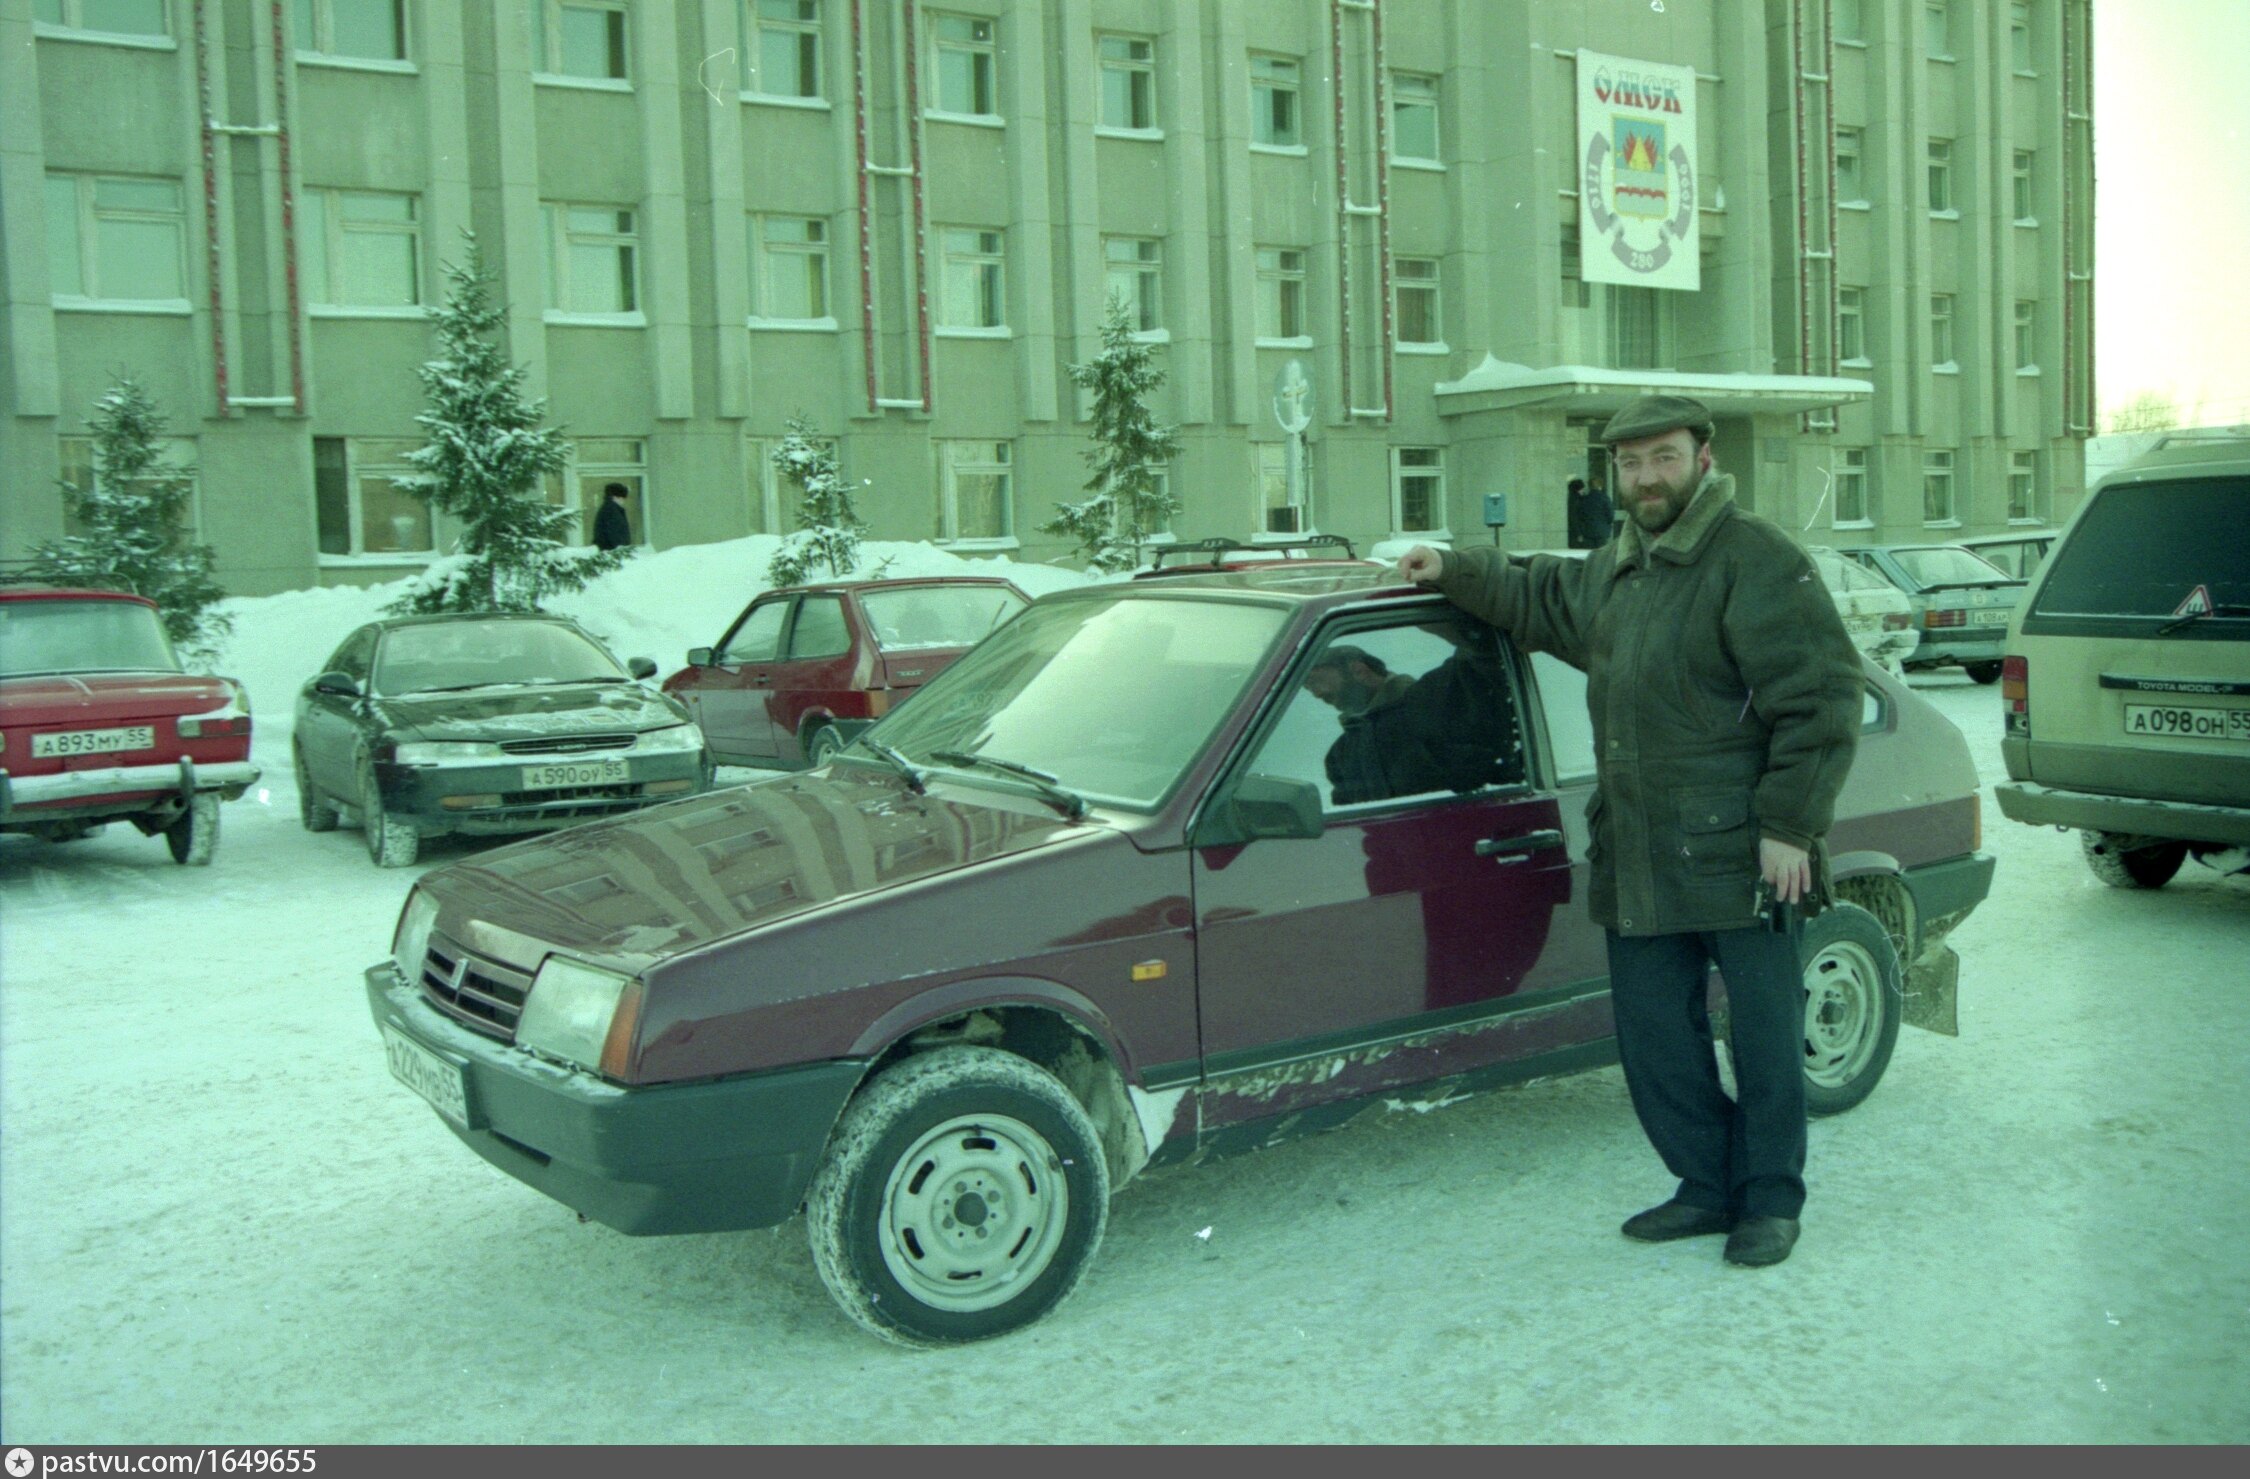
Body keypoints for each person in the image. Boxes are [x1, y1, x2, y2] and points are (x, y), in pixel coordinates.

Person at [1397, 394, 1862, 1268]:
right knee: (1655, 1038)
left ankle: (1770, 1198)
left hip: (1745, 849)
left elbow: (1822, 696)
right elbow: (1536, 592)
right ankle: (1706, 1183)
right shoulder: (1616, 567)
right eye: (1631, 462)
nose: (1647, 477)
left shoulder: (1754, 557)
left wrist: (1791, 825)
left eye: (1664, 458)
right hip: (1640, 847)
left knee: (1763, 1035)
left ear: (1703, 457)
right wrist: (1452, 566)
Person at [1567, 475, 1615, 549]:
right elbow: (1610, 515)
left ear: (1590, 486)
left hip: (1587, 533)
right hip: (1601, 532)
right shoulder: (1605, 498)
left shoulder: (1584, 499)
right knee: (1601, 553)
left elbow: (1580, 516)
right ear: (1600, 486)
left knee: (1589, 553)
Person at [593, 481, 634, 551]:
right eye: (621, 497)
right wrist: (621, 549)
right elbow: (614, 533)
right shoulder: (611, 511)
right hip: (612, 552)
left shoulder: (609, 509)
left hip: (608, 550)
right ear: (615, 497)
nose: (623, 500)